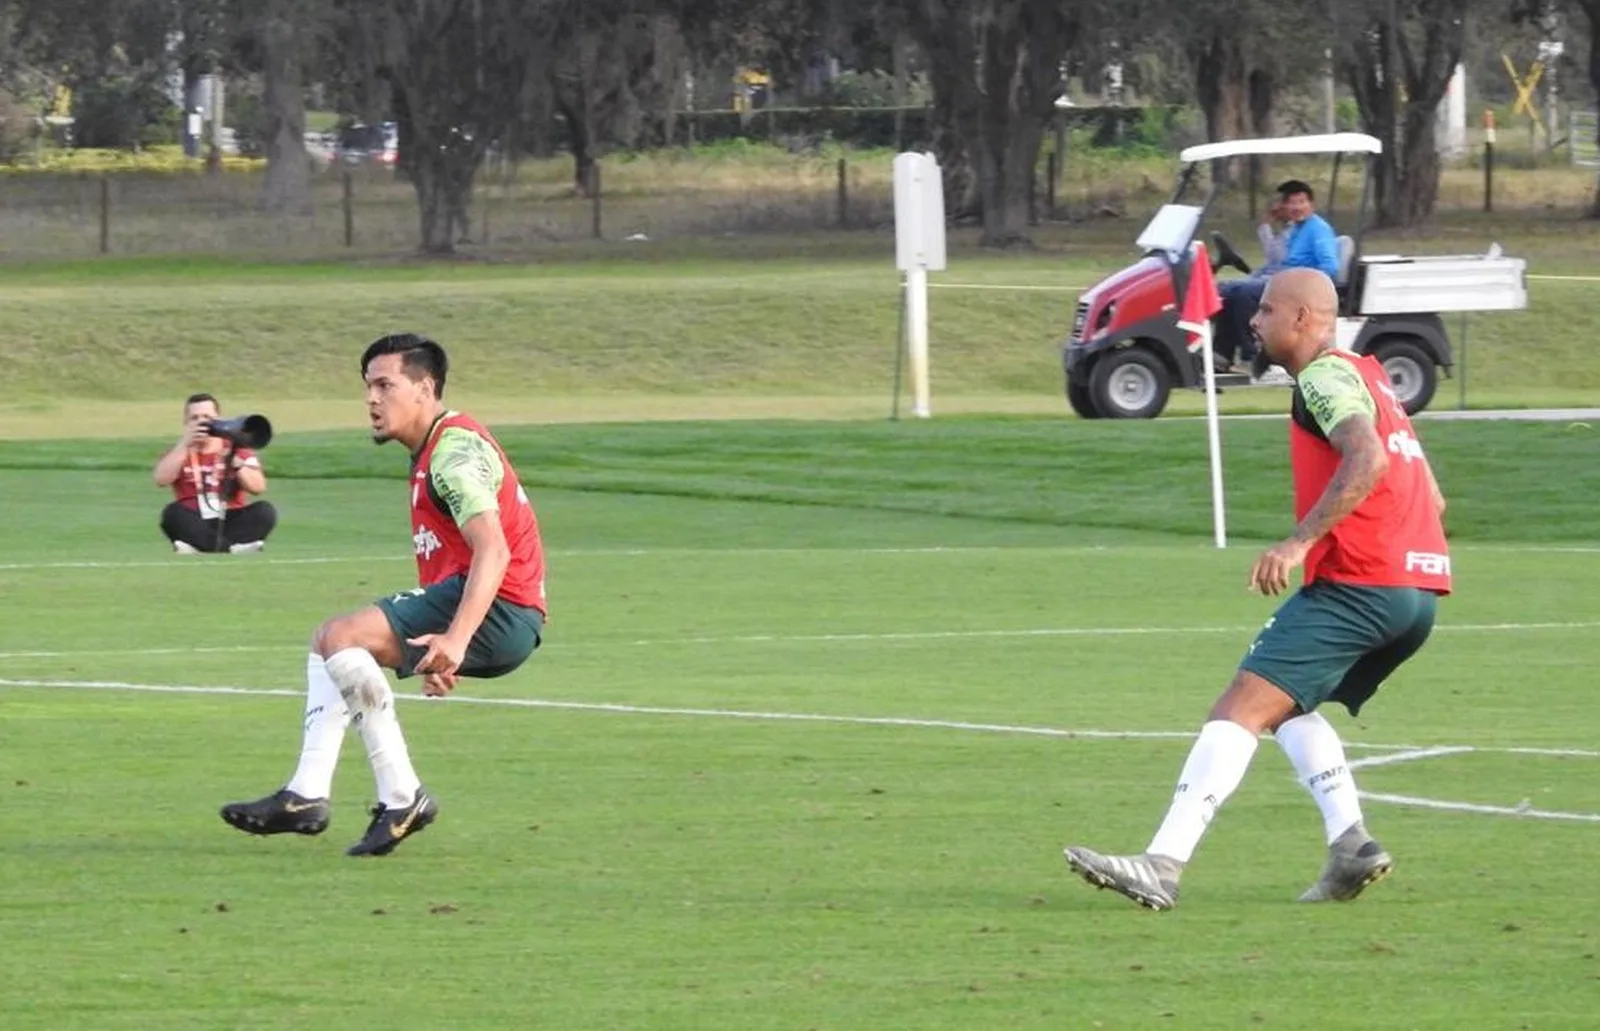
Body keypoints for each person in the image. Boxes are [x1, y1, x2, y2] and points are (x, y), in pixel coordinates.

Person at [1063, 269, 1450, 910]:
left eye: (1267, 310)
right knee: (1286, 706)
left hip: (1360, 583)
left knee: (1238, 708)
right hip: (1415, 591)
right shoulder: (1374, 377)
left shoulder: (1326, 377)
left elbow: (1367, 460)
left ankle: (1162, 865)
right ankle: (1350, 845)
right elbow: (1431, 494)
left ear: (1302, 319)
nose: (1253, 320)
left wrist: (1298, 542)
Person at [220, 333, 548, 857]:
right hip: (496, 608)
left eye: (384, 385)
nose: (372, 399)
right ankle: (309, 793)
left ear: (425, 387)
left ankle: (399, 796)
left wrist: (459, 639)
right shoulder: (434, 449)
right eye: (367, 387)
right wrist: (444, 641)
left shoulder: (452, 454)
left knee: (343, 636)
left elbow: (494, 551)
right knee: (328, 641)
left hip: (503, 608)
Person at [1214, 181, 1342, 370]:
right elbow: (1275, 260)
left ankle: (1252, 356)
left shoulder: (1318, 229)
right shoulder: (1294, 230)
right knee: (1227, 291)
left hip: (1299, 290)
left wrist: (1302, 284)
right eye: (1291, 202)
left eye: (1301, 202)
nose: (1296, 207)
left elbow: (1330, 266)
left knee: (1244, 294)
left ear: (1311, 205)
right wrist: (1267, 222)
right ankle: (1221, 355)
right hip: (1283, 281)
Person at [152, 393, 277, 554]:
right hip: (195, 517)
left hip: (230, 516)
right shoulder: (178, 452)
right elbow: (161, 480)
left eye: (206, 417)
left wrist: (238, 465)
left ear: (217, 419)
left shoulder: (236, 448)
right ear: (186, 422)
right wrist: (185, 444)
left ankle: (201, 547)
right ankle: (231, 549)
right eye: (194, 418)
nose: (201, 422)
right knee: (172, 514)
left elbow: (258, 487)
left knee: (264, 511)